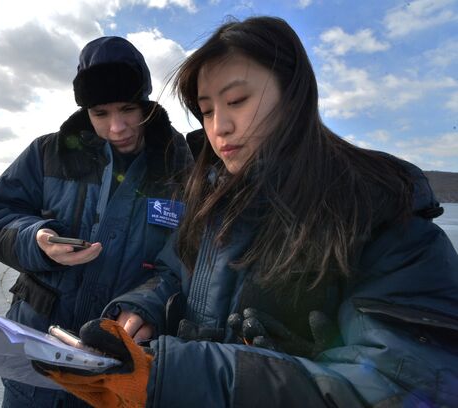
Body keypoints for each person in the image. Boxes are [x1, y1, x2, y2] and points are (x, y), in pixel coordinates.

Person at [34, 16, 458, 407]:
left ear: (294, 94)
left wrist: (175, 375)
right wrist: (143, 307)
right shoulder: (215, 198)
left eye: (236, 100)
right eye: (206, 110)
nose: (218, 127)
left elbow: (409, 384)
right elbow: (174, 271)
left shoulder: (381, 211)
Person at [0, 36, 192, 407]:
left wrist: (149, 303)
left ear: (146, 101)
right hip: (35, 363)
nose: (117, 127)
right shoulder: (46, 154)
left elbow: (189, 256)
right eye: (101, 114)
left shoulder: (180, 168)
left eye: (128, 109)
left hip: (118, 371)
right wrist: (37, 241)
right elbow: (0, 217)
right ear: (86, 110)